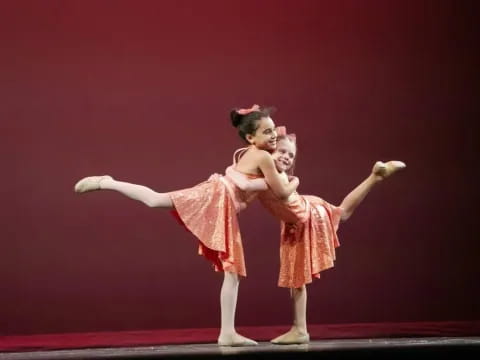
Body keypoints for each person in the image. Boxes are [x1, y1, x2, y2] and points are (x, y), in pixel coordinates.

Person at [73, 105, 298, 346]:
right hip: (218, 199)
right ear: (251, 138)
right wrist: (294, 179)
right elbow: (283, 193)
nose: (273, 135)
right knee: (158, 202)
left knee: (230, 271)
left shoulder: (248, 153)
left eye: (274, 130)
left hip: (221, 200)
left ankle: (227, 333)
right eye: (267, 132)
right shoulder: (262, 156)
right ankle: (108, 182)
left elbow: (243, 178)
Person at [231, 127, 406, 344]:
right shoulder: (271, 176)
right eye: (282, 152)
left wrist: (230, 171)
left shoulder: (273, 179)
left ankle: (300, 329)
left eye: (291, 155)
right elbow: (247, 195)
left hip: (305, 218)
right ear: (268, 153)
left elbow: (247, 185)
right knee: (340, 215)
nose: (286, 157)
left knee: (298, 277)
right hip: (299, 219)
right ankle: (375, 176)